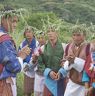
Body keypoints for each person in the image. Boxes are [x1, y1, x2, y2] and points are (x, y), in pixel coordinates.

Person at [0, 7, 31, 96]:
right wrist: (21, 57)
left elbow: (4, 58)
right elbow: (13, 66)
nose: (15, 25)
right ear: (3, 19)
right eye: (12, 21)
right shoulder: (4, 39)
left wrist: (17, 54)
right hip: (3, 84)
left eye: (16, 21)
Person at [32, 27, 66, 96]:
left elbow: (67, 63)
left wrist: (61, 72)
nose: (50, 33)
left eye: (52, 31)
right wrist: (49, 72)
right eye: (48, 31)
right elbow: (40, 64)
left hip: (61, 79)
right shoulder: (43, 48)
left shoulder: (64, 46)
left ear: (57, 33)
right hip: (48, 80)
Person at [60, 25, 90, 96]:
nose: (76, 38)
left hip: (84, 84)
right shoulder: (68, 46)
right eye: (74, 35)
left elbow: (90, 65)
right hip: (71, 82)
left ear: (84, 35)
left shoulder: (89, 47)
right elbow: (63, 61)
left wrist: (75, 61)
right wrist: (67, 63)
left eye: (79, 35)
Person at [18, 26, 39, 96]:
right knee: (27, 92)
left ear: (33, 33)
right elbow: (19, 56)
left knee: (37, 92)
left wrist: (31, 64)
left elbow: (39, 56)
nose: (28, 34)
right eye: (26, 32)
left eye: (30, 32)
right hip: (27, 70)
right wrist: (24, 65)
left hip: (36, 70)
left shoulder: (37, 43)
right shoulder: (22, 44)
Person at [34, 32, 46, 96]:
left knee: (44, 92)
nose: (40, 40)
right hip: (38, 73)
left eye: (42, 38)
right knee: (37, 93)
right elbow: (34, 60)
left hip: (45, 74)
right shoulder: (36, 48)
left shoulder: (48, 47)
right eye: (38, 38)